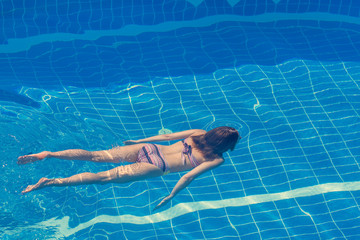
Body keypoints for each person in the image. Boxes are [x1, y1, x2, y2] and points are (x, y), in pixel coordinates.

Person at [18, 126, 240, 210]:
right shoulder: (216, 159)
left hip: (150, 147)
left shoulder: (198, 132)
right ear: (227, 146)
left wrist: (138, 141)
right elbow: (189, 177)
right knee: (100, 178)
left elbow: (167, 136)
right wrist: (172, 195)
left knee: (95, 156)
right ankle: (52, 183)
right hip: (156, 166)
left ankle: (49, 154)